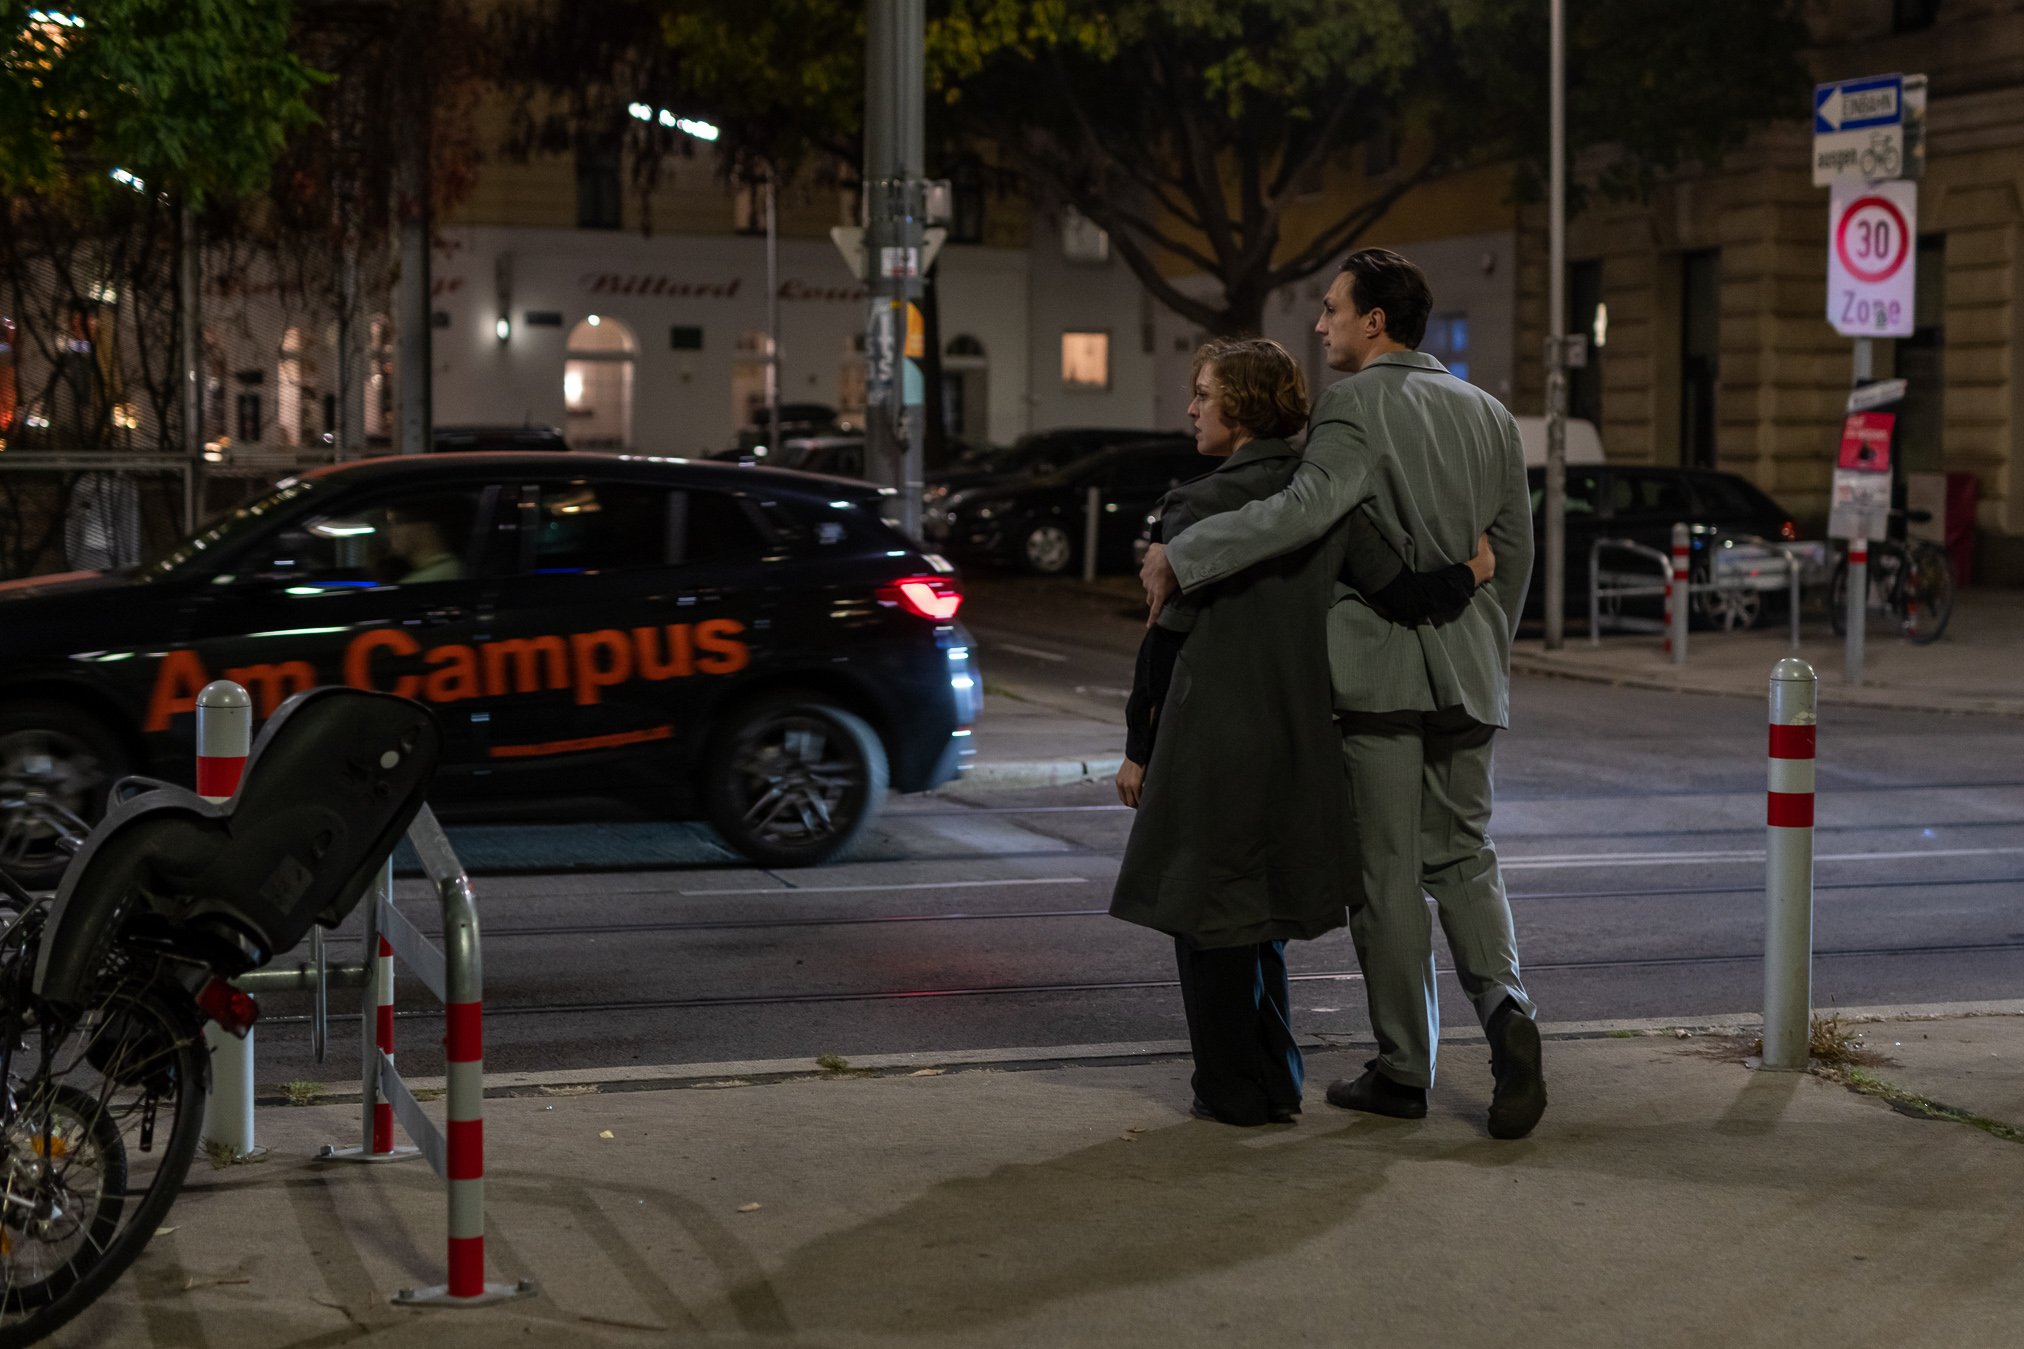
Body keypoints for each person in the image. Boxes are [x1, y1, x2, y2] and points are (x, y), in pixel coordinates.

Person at [1139, 248, 1547, 1140]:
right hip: (1471, 675)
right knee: (1467, 856)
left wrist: (1186, 553)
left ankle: (1406, 1070)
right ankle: (1510, 1016)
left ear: (1375, 321)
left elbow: (1303, 510)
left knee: (1388, 876)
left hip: (1381, 679)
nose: (1319, 326)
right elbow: (1512, 554)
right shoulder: (1489, 413)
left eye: (1330, 310)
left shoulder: (1355, 406)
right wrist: (1485, 647)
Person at [384, 498, 468, 584]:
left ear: (424, 528)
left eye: (396, 523)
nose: (389, 532)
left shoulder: (428, 578)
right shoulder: (457, 567)